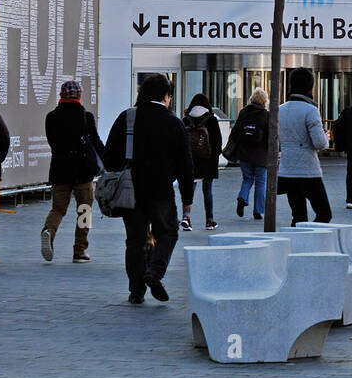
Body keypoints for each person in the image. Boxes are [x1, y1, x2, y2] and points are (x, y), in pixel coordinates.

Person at [102, 74, 194, 304]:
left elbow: (109, 156)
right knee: (168, 232)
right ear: (165, 96)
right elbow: (186, 164)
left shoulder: (128, 117)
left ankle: (136, 291)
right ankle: (155, 271)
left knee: (134, 240)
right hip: (162, 190)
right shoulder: (174, 122)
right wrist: (187, 197)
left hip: (131, 191)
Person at [42, 80, 104, 262]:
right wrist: (109, 160)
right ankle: (79, 250)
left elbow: (52, 142)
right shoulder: (86, 116)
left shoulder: (51, 117)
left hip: (59, 170)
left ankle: (48, 231)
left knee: (58, 209)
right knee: (84, 210)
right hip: (83, 172)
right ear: (79, 95)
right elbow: (96, 142)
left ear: (61, 95)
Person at [277, 68, 332, 225]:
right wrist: (325, 135)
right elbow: (320, 143)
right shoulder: (311, 110)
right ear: (310, 87)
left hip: (287, 170)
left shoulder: (280, 109)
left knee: (298, 216)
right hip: (308, 171)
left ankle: (296, 245)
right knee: (324, 213)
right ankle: (311, 241)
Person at [184, 93, 222, 230]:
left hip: (190, 161)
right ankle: (209, 220)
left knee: (189, 190)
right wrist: (214, 158)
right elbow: (218, 143)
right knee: (208, 191)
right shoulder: (211, 120)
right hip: (208, 161)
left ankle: (186, 218)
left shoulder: (186, 119)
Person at [233, 89, 269, 220]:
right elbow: (271, 136)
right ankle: (258, 211)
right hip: (261, 155)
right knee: (261, 182)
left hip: (244, 154)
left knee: (247, 179)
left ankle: (242, 197)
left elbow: (236, 132)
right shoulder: (266, 115)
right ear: (264, 101)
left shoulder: (243, 112)